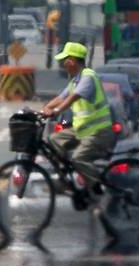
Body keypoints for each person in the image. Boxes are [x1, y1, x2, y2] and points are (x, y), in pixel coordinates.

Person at [41, 42, 115, 194]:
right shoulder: (75, 81)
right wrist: (43, 110)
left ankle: (98, 186)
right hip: (82, 131)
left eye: (65, 60)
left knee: (77, 158)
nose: (63, 64)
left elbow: (73, 98)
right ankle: (64, 180)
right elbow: (62, 97)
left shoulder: (88, 78)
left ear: (73, 61)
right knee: (54, 140)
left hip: (99, 132)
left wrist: (55, 111)